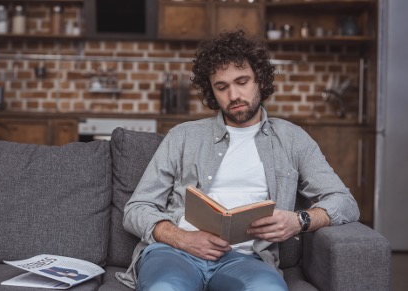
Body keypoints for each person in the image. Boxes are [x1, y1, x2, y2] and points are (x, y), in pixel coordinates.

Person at [116, 29, 360, 291]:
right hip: (176, 253)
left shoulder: (292, 139)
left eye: (242, 82)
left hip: (247, 260)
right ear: (212, 92)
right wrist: (181, 238)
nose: (233, 96)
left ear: (260, 81)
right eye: (222, 87)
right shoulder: (183, 136)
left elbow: (344, 202)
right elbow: (136, 208)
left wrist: (299, 221)